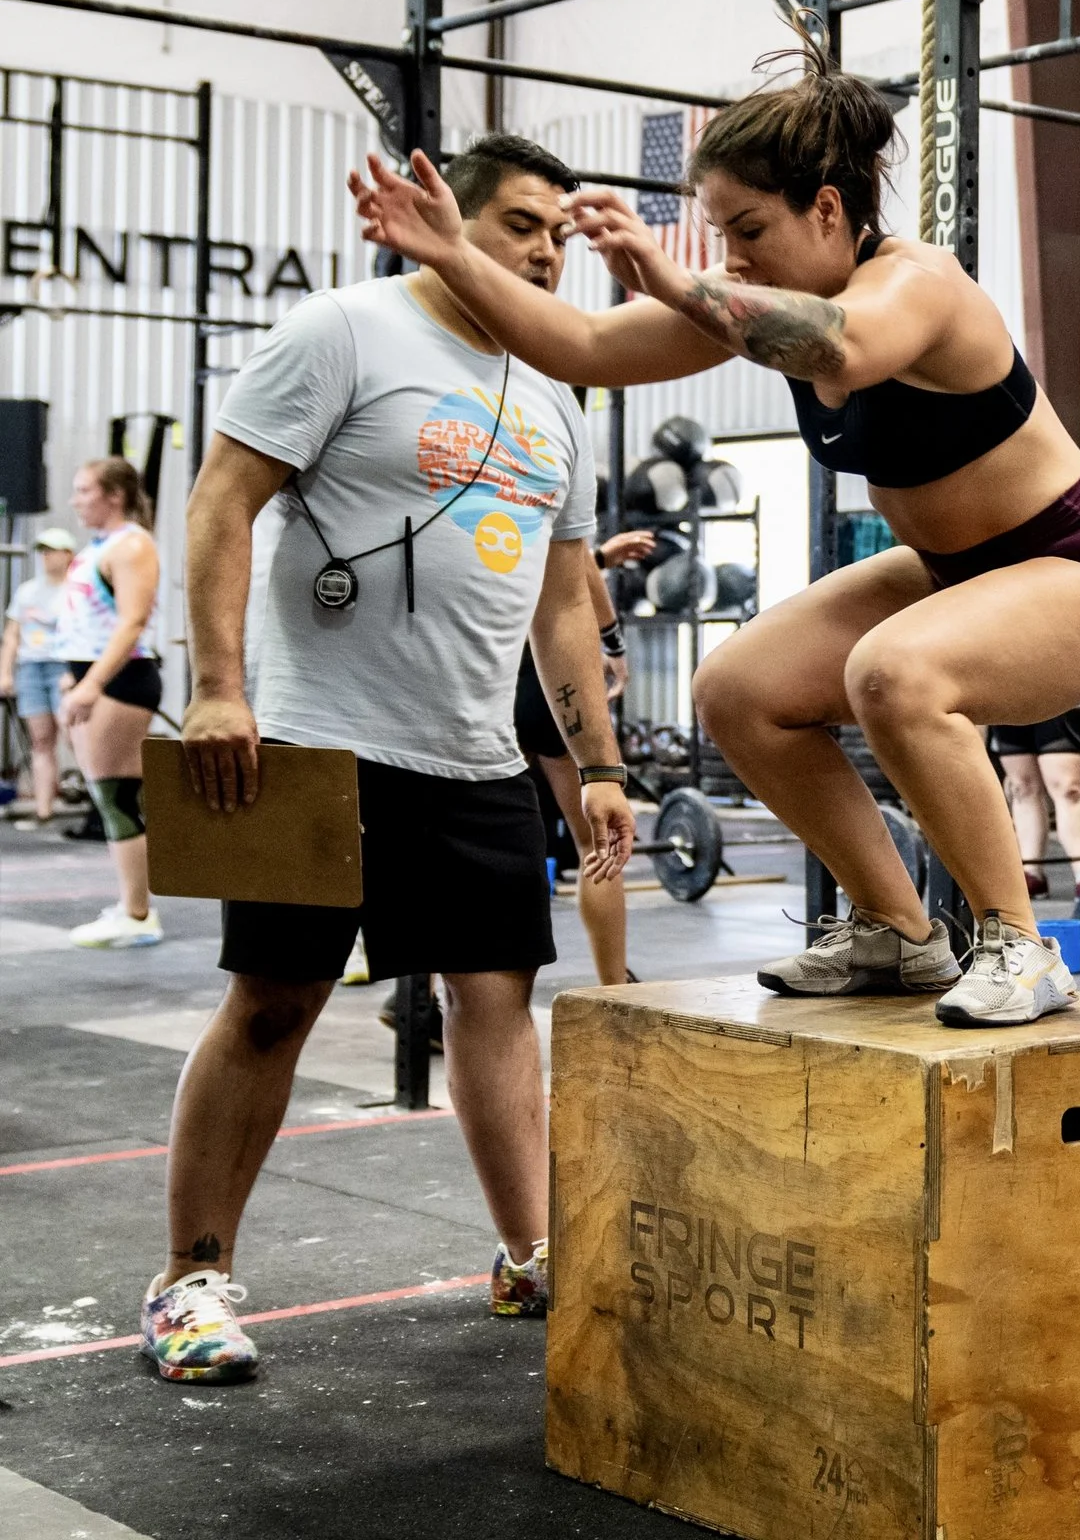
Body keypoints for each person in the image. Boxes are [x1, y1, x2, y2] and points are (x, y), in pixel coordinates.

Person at [350, 42, 1080, 1029]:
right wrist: (450, 252)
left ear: (828, 208)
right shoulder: (752, 301)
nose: (730, 255)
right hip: (953, 572)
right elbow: (588, 348)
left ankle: (1019, 943)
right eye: (717, 233)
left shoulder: (918, 283)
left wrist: (670, 274)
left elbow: (841, 345)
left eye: (748, 228)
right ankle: (897, 929)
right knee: (737, 689)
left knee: (894, 673)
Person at [153, 133, 634, 1386]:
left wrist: (596, 760)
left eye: (558, 236)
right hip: (316, 742)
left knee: (498, 998)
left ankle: (529, 1248)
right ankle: (190, 1278)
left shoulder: (552, 390)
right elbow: (222, 496)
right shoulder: (346, 330)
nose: (545, 250)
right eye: (523, 224)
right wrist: (217, 688)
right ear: (445, 215)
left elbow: (566, 597)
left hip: (470, 753)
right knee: (273, 1001)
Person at [518, 529, 656, 986]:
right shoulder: (543, 462)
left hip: (486, 668)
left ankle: (427, 999)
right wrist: (614, 644)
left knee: (468, 832)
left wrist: (600, 555)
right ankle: (615, 989)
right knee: (595, 843)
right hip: (542, 670)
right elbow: (570, 566)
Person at [58, 459, 166, 948]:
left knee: (116, 798)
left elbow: (131, 622)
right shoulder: (97, 548)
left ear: (114, 496)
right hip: (93, 677)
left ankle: (137, 913)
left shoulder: (133, 545)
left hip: (120, 680)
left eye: (84, 490)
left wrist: (92, 685)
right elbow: (85, 623)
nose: (77, 500)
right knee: (111, 797)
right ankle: (132, 904)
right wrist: (72, 676)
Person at [2, 527, 81, 826]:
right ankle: (43, 810)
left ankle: (101, 805)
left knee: (74, 735)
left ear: (68, 554)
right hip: (31, 667)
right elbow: (12, 635)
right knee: (40, 740)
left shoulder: (76, 590)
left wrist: (75, 672)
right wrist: (5, 672)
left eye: (53, 550)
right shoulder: (27, 591)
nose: (46, 556)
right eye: (43, 551)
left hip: (62, 667)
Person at [991, 716, 1080, 898]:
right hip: (1009, 696)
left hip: (1057, 694)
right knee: (1021, 786)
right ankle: (1031, 872)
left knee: (1067, 786)